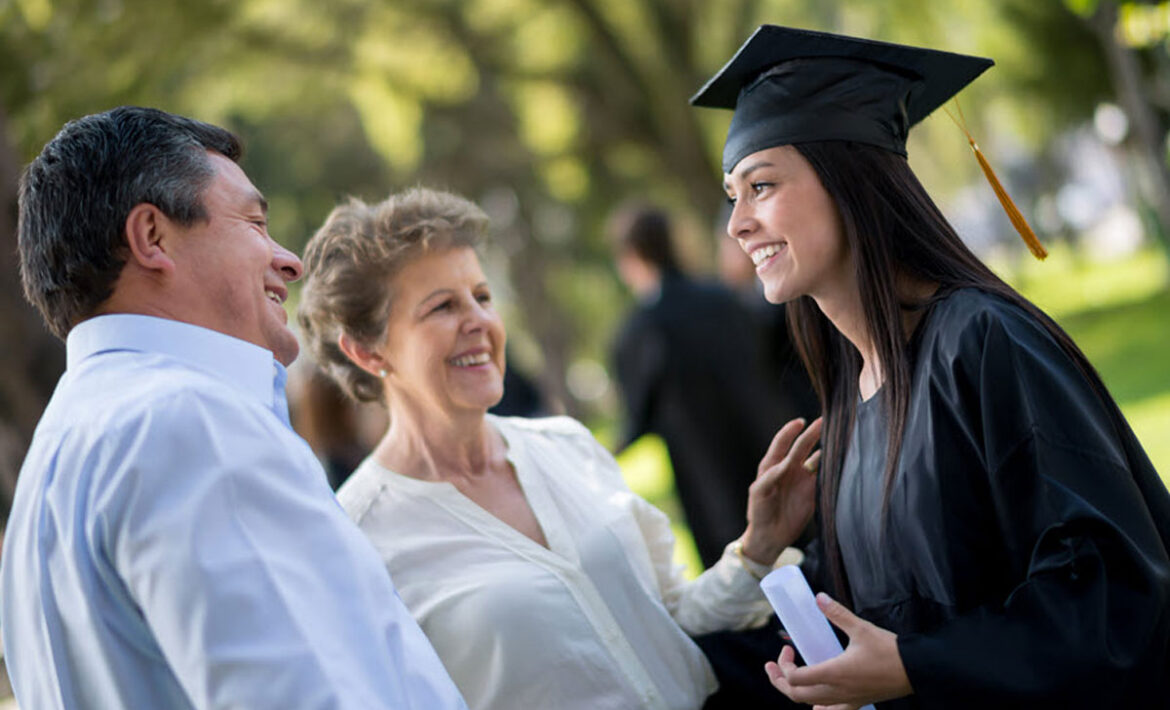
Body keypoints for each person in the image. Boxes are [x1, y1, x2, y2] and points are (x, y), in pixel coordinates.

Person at [690, 25, 1170, 709]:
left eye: (761, 185)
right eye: (732, 193)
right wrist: (763, 548)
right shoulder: (852, 398)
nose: (737, 224)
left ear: (847, 178)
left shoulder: (984, 343)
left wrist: (918, 665)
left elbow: (1109, 589)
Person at [0, 107, 468, 710]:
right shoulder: (190, 423)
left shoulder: (52, 469)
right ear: (152, 238)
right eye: (253, 223)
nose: (290, 261)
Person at [296, 187, 816, 710]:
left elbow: (671, 619)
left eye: (481, 296)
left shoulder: (567, 445)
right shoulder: (357, 539)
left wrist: (757, 548)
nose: (478, 320)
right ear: (367, 351)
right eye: (442, 307)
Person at [609, 203, 797, 568]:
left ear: (631, 257)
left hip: (708, 479)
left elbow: (638, 417)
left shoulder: (639, 331)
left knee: (746, 574)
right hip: (771, 447)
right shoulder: (725, 299)